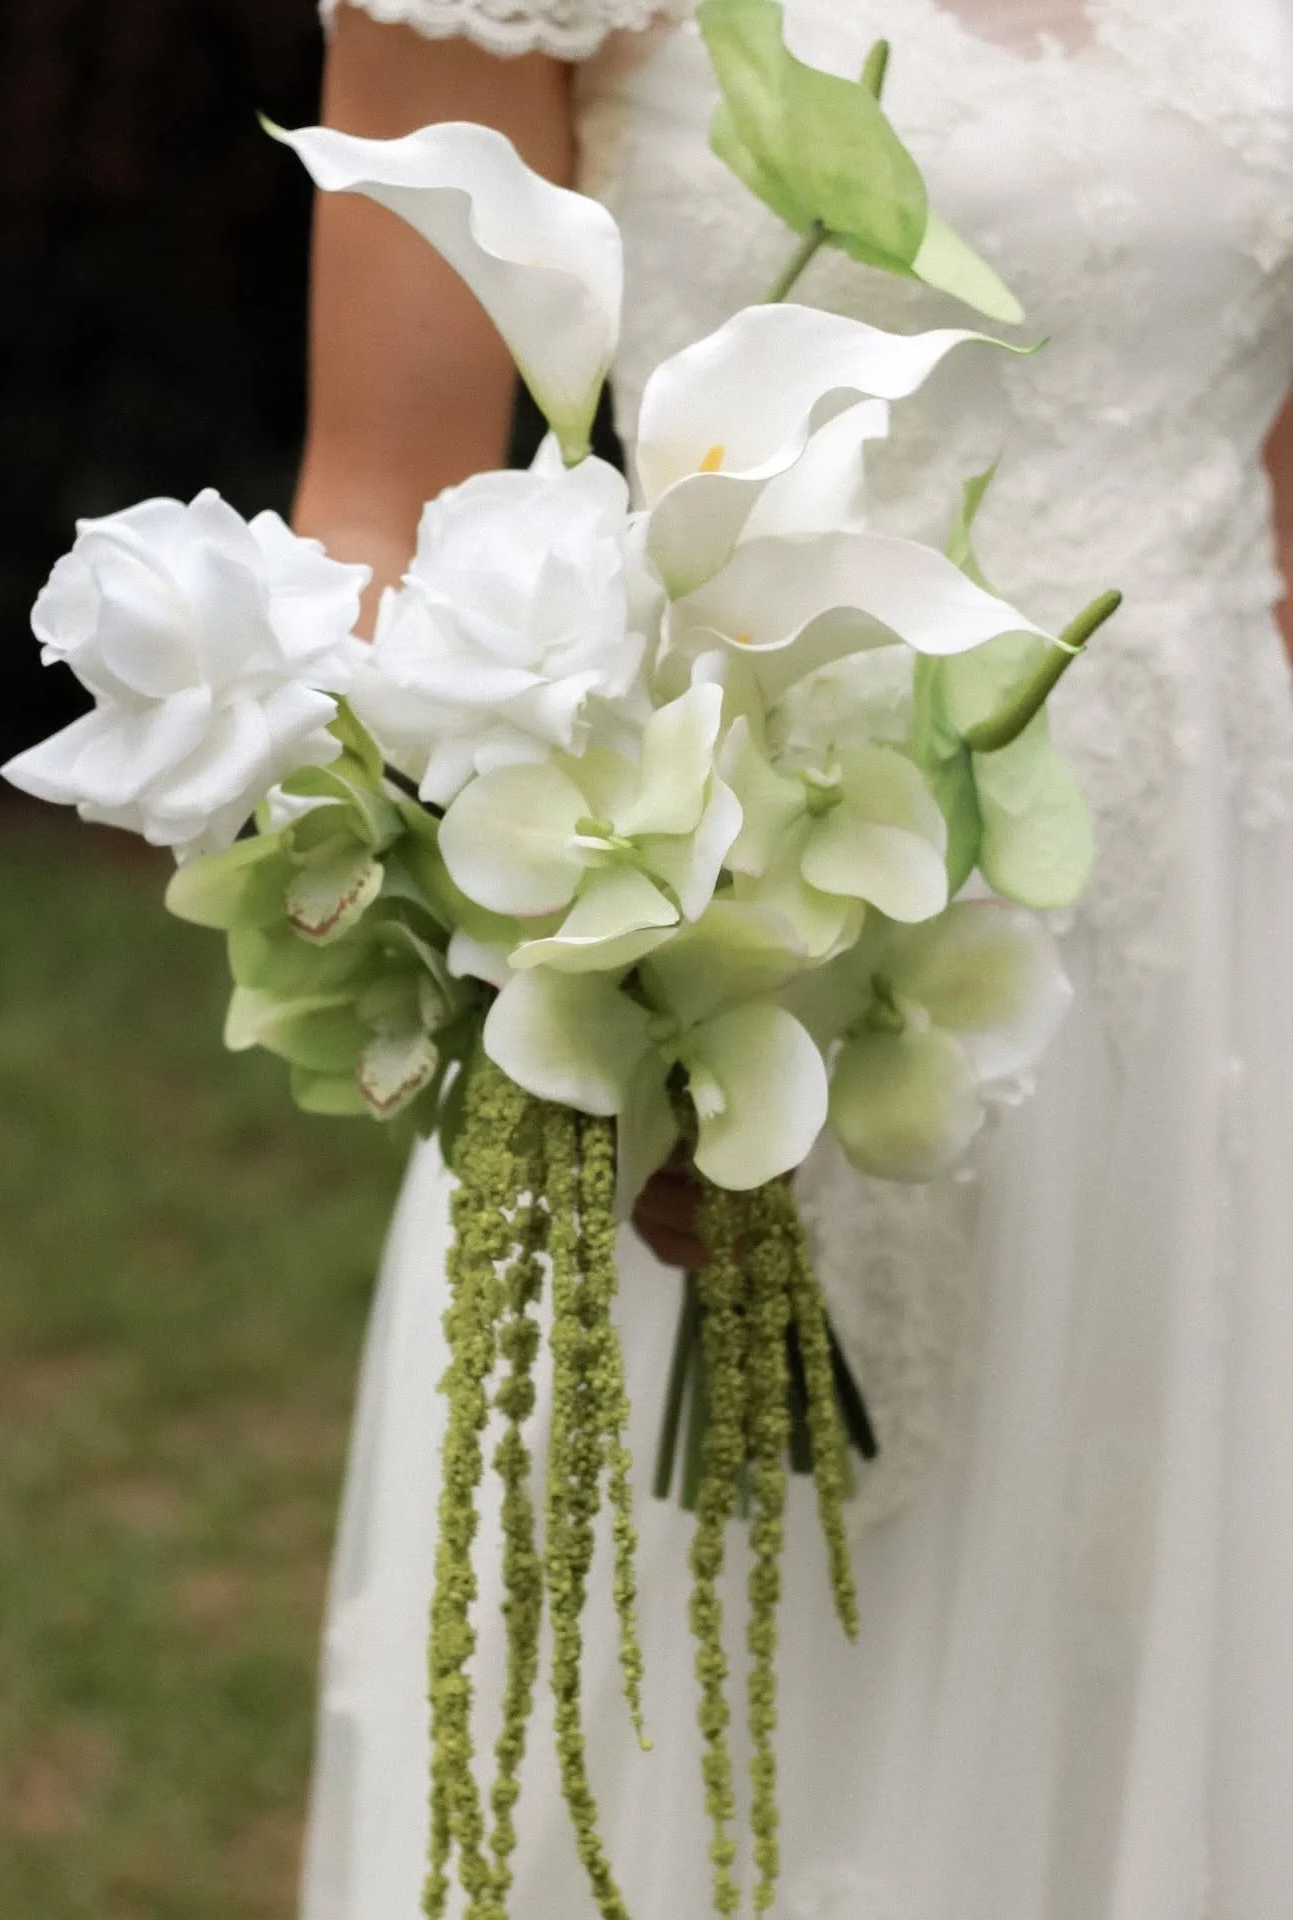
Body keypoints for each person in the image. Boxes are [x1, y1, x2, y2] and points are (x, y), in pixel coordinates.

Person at [291, 3, 1293, 1915]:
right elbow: (376, 516)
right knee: (714, 1707)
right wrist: (566, 980)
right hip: (716, 982)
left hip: (1214, 1019)